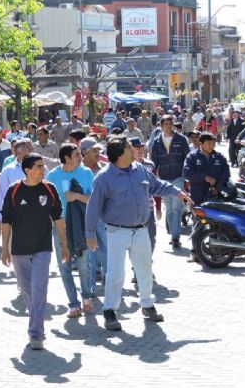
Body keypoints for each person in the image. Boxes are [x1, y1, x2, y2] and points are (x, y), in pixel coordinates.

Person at [85, 135, 192, 331]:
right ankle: (110, 311)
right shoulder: (104, 178)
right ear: (119, 155)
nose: (133, 150)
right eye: (128, 148)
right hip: (116, 232)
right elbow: (93, 208)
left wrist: (177, 191)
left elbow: (157, 185)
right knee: (116, 273)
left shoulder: (140, 169)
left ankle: (147, 304)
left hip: (141, 230)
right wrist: (90, 234)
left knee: (144, 270)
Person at [0, 153, 66, 350]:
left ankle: (35, 333)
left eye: (43, 166)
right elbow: (6, 221)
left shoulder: (49, 189)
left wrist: (64, 244)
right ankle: (37, 322)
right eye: (38, 166)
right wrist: (4, 248)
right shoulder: (14, 191)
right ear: (27, 170)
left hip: (42, 247)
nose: (42, 169)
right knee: (27, 290)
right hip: (19, 248)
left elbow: (58, 219)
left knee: (39, 289)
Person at [45, 144, 95, 317]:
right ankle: (73, 304)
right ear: (66, 158)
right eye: (76, 155)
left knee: (83, 264)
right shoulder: (52, 176)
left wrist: (77, 196)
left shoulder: (86, 173)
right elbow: (46, 202)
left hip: (82, 224)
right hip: (60, 226)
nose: (80, 157)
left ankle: (87, 297)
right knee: (65, 265)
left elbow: (94, 200)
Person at [148, 114, 191, 250]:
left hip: (178, 177)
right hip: (164, 178)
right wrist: (154, 178)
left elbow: (187, 158)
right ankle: (173, 233)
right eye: (165, 123)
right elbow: (153, 162)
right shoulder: (156, 141)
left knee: (176, 207)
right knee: (169, 209)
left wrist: (187, 177)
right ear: (161, 126)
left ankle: (175, 237)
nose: (168, 125)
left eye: (170, 123)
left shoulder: (181, 139)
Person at [80, 137, 108, 294]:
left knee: (108, 253)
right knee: (88, 256)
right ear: (84, 153)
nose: (98, 153)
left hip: (105, 219)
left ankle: (109, 284)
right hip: (85, 219)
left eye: (98, 150)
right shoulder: (77, 172)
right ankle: (89, 289)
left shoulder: (105, 170)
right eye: (94, 150)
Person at [183, 133, 232, 207]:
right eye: (209, 143)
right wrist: (204, 177)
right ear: (201, 143)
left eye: (213, 143)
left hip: (216, 196)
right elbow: (187, 173)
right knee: (198, 217)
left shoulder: (220, 157)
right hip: (197, 196)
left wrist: (218, 187)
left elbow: (226, 175)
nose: (211, 146)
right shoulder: (192, 157)